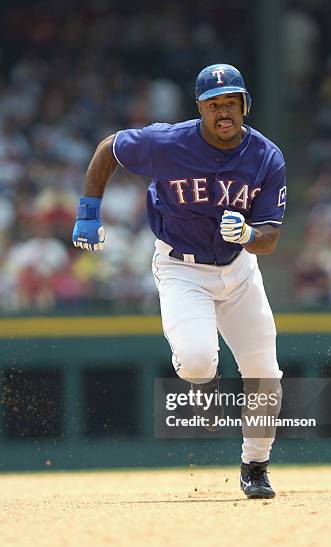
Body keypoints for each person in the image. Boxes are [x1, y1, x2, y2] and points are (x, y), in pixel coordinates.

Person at [72, 64, 287, 499]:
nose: (223, 111)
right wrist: (88, 212)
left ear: (245, 105)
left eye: (231, 102)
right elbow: (109, 149)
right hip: (181, 266)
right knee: (196, 365)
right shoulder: (167, 142)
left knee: (264, 372)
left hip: (238, 268)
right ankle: (190, 346)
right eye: (214, 104)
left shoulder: (266, 156)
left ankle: (255, 465)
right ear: (200, 109)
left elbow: (270, 239)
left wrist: (248, 235)